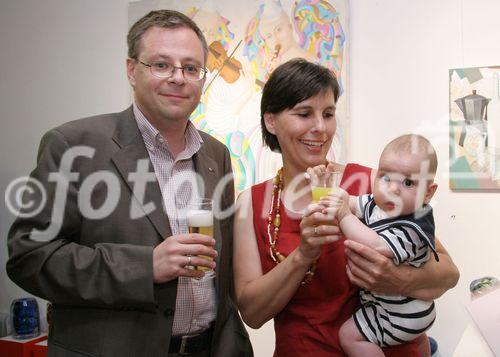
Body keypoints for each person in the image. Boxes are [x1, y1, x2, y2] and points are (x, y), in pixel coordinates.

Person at [6, 10, 252, 357]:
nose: (178, 78)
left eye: (191, 68)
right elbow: (29, 256)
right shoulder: (75, 145)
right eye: (161, 65)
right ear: (131, 70)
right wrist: (144, 267)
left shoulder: (216, 154)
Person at [233, 58, 459, 356]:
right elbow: (252, 313)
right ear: (271, 121)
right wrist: (303, 254)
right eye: (304, 114)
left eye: (328, 114)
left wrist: (398, 278)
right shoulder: (252, 203)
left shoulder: (373, 183)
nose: (320, 128)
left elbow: (448, 273)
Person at [319, 134, 440, 356]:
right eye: (385, 177)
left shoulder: (413, 228)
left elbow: (375, 245)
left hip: (403, 314)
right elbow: (354, 203)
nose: (392, 189)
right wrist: (339, 196)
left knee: (349, 336)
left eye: (408, 182)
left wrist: (344, 215)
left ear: (428, 193)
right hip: (388, 305)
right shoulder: (378, 204)